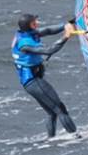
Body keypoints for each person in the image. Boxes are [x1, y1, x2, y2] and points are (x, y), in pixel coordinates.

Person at [11, 11, 82, 139]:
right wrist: (66, 35)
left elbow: (48, 30)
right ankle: (76, 137)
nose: (37, 23)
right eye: (35, 22)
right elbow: (49, 50)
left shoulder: (24, 32)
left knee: (52, 113)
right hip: (33, 81)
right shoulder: (25, 43)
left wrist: (66, 24)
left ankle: (51, 140)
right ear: (31, 26)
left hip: (32, 81)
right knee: (60, 109)